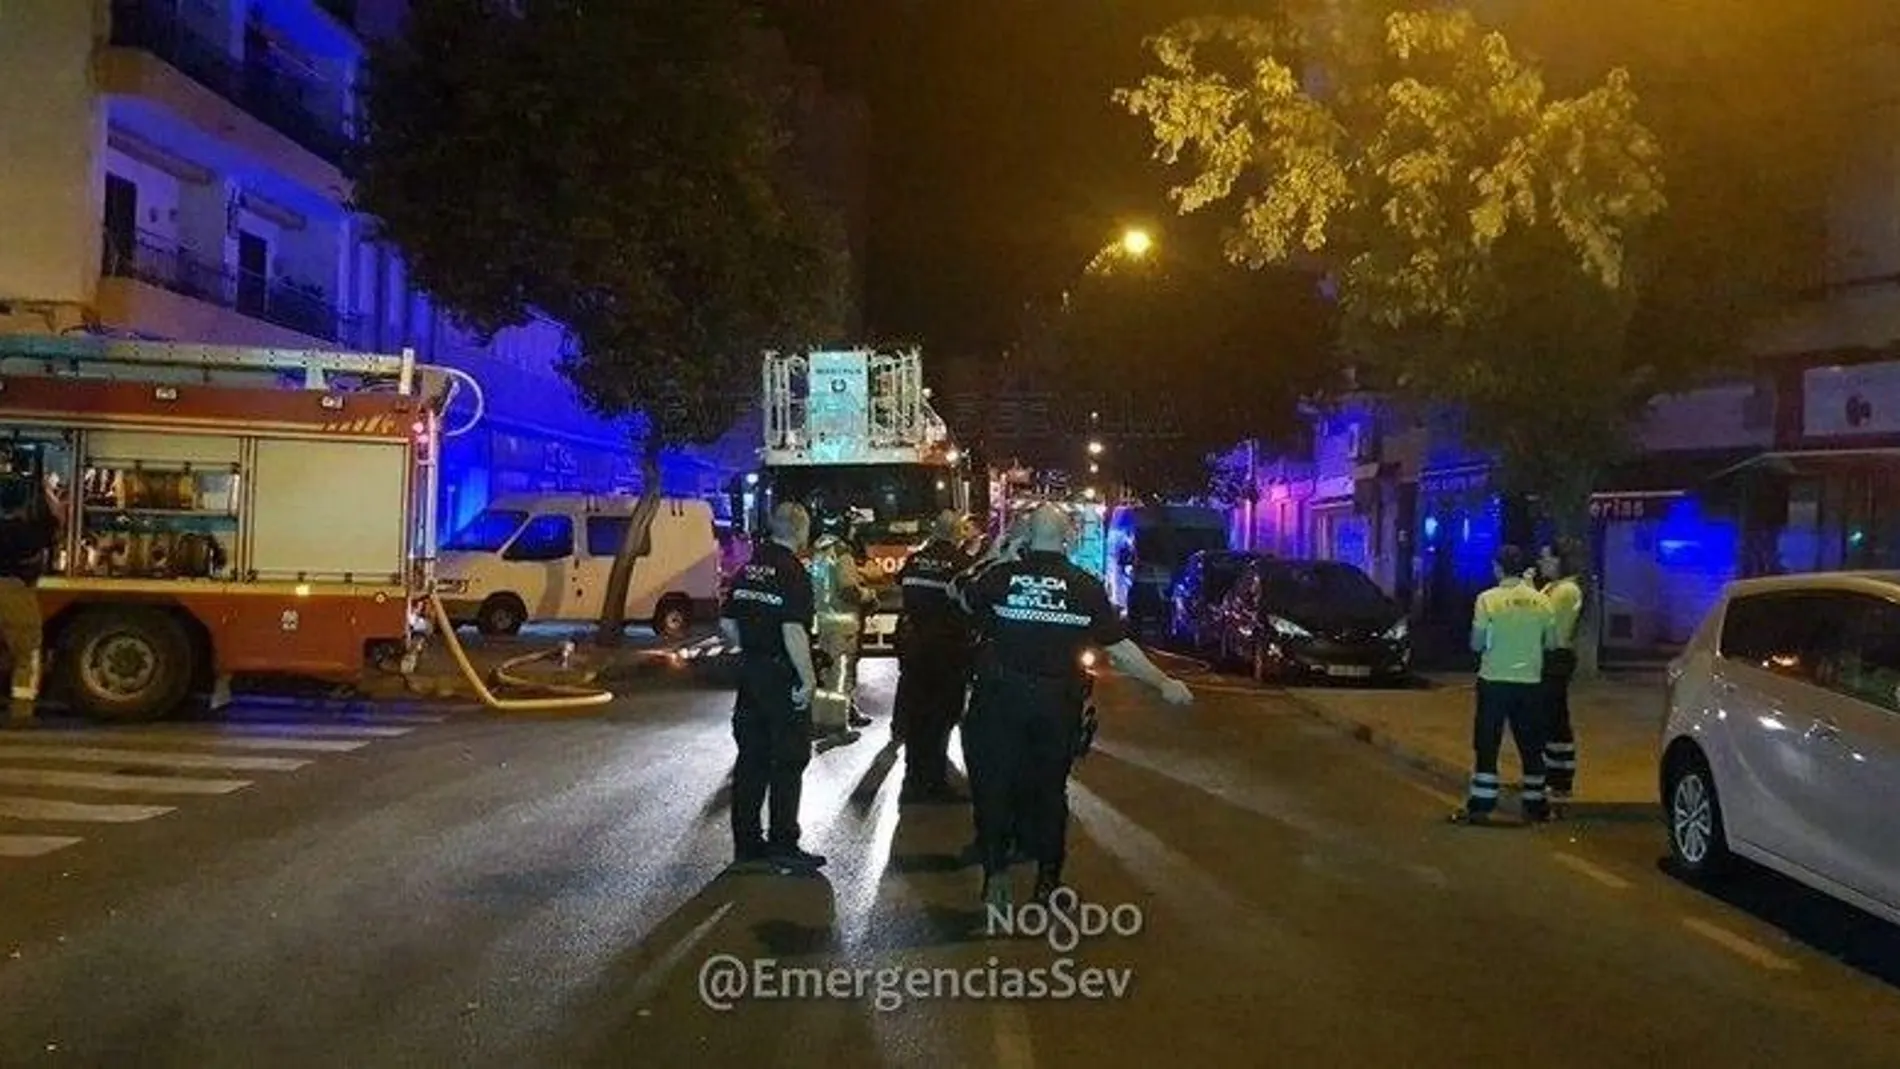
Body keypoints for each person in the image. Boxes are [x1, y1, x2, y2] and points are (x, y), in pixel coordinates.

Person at [957, 504, 1193, 910]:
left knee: (994, 786)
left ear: (1028, 536)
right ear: (1068, 537)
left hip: (999, 700)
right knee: (1049, 792)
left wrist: (999, 552)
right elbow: (1119, 649)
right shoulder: (1084, 586)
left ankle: (996, 872)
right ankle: (1047, 882)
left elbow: (958, 597)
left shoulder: (1000, 577)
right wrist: (1163, 683)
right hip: (1055, 706)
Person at [718, 502, 825, 871]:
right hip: (781, 675)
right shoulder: (793, 572)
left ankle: (747, 844)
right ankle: (783, 843)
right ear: (800, 531)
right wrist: (808, 679)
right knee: (789, 759)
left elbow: (728, 625)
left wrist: (747, 648)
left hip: (750, 672)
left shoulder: (747, 567)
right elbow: (793, 629)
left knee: (751, 760)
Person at [1452, 544, 1556, 826]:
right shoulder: (1542, 602)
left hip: (1494, 681)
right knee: (1531, 744)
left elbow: (1476, 643)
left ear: (1498, 567)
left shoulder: (1487, 600)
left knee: (1487, 743)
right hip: (1530, 682)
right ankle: (1536, 805)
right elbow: (1552, 642)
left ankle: (1482, 805)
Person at [894, 509, 976, 803]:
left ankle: (913, 777)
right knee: (942, 719)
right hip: (948, 653)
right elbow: (971, 605)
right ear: (957, 533)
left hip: (914, 650)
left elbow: (900, 583)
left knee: (917, 717)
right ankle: (934, 783)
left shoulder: (915, 560)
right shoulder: (961, 564)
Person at [0, 473, 59, 720]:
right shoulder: (24, 531)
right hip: (13, 590)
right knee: (27, 651)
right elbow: (54, 525)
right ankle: (21, 711)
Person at [807, 513, 867, 750]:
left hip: (824, 621)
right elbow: (848, 589)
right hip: (843, 623)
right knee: (840, 676)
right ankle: (838, 728)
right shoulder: (841, 553)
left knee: (828, 674)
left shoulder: (821, 550)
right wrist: (868, 596)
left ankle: (823, 720)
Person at [1536, 541, 1585, 810]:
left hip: (1555, 657)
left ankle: (1560, 780)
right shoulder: (1553, 587)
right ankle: (1551, 775)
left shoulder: (1566, 590)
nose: (1541, 562)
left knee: (1554, 718)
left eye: (1546, 558)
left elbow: (1550, 625)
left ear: (1559, 561)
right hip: (1549, 656)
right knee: (1548, 717)